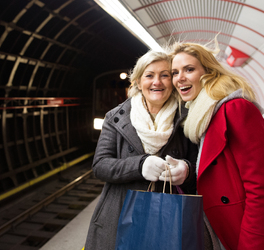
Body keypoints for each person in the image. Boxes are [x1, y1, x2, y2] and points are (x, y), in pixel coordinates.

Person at [169, 41, 264, 249]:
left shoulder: (235, 109)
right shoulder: (203, 116)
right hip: (235, 229)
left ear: (208, 72)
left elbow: (261, 189)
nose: (179, 78)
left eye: (189, 69)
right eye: (174, 72)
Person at [84, 50, 199, 250]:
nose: (157, 82)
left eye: (165, 75)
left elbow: (202, 165)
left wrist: (187, 170)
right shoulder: (116, 117)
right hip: (119, 213)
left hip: (169, 216)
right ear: (138, 82)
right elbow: (100, 165)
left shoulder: (188, 117)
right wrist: (140, 165)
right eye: (149, 75)